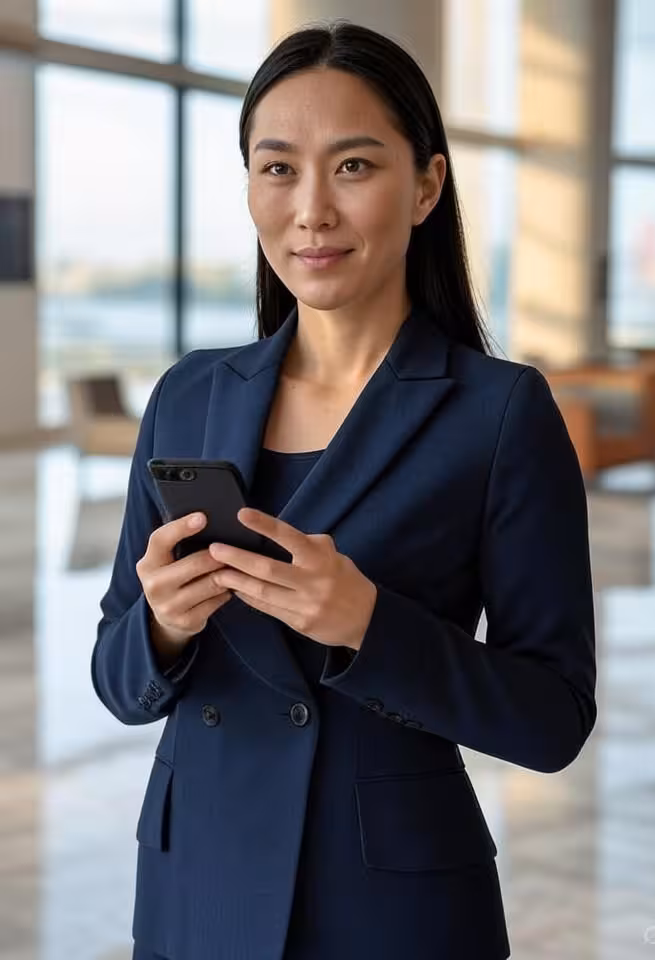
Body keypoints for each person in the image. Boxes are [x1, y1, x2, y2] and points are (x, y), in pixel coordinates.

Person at [91, 19, 597, 960]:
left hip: (387, 903)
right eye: (277, 168)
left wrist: (369, 623)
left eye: (354, 167)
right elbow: (118, 681)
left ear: (426, 186)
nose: (311, 210)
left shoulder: (499, 413)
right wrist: (161, 623)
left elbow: (553, 718)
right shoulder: (189, 396)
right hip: (196, 879)